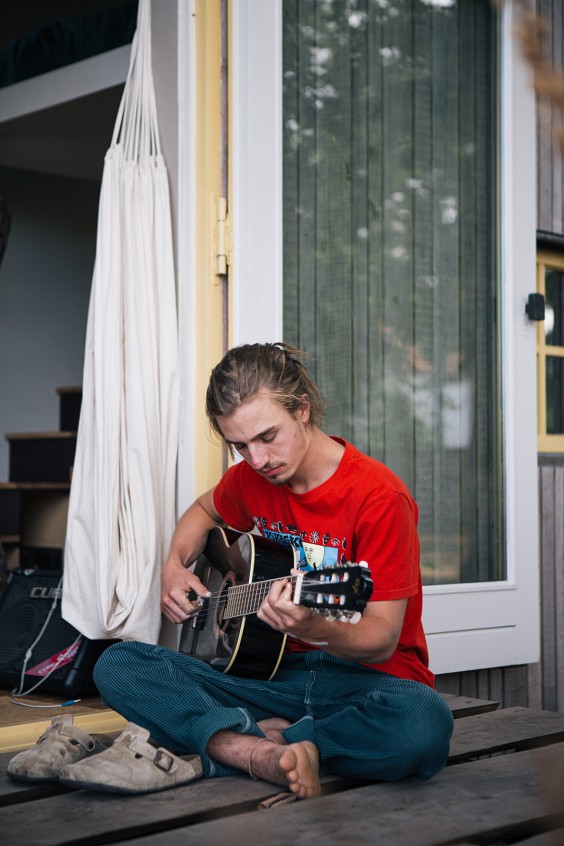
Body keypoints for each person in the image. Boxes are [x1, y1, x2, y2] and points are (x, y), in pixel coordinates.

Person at [7, 342, 453, 797]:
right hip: (268, 678)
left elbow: (381, 639)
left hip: (365, 685)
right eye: (239, 445)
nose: (257, 460)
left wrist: (315, 627)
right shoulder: (251, 480)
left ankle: (238, 742)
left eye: (267, 437)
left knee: (423, 724)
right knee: (118, 664)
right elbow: (204, 510)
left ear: (302, 409)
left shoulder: (379, 498)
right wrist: (174, 565)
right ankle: (262, 751)